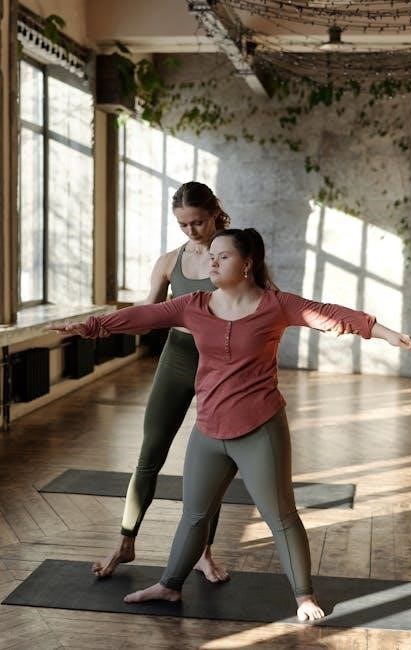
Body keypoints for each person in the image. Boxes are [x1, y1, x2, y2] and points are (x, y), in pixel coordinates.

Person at [51, 228, 411, 622]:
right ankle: (169, 586)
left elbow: (331, 314)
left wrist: (388, 335)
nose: (211, 263)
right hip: (208, 430)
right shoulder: (193, 305)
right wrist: (89, 326)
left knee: (281, 517)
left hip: (260, 429)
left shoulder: (277, 305)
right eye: (211, 256)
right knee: (194, 516)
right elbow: (142, 315)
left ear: (247, 264)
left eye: (223, 256)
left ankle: (304, 597)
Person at [91, 181, 231, 581]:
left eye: (197, 222)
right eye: (183, 224)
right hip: (178, 359)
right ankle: (125, 542)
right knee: (150, 452)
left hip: (220, 366)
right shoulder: (170, 262)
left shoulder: (235, 255)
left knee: (212, 462)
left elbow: (264, 303)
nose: (191, 230)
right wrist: (102, 324)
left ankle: (204, 552)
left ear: (214, 213)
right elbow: (146, 315)